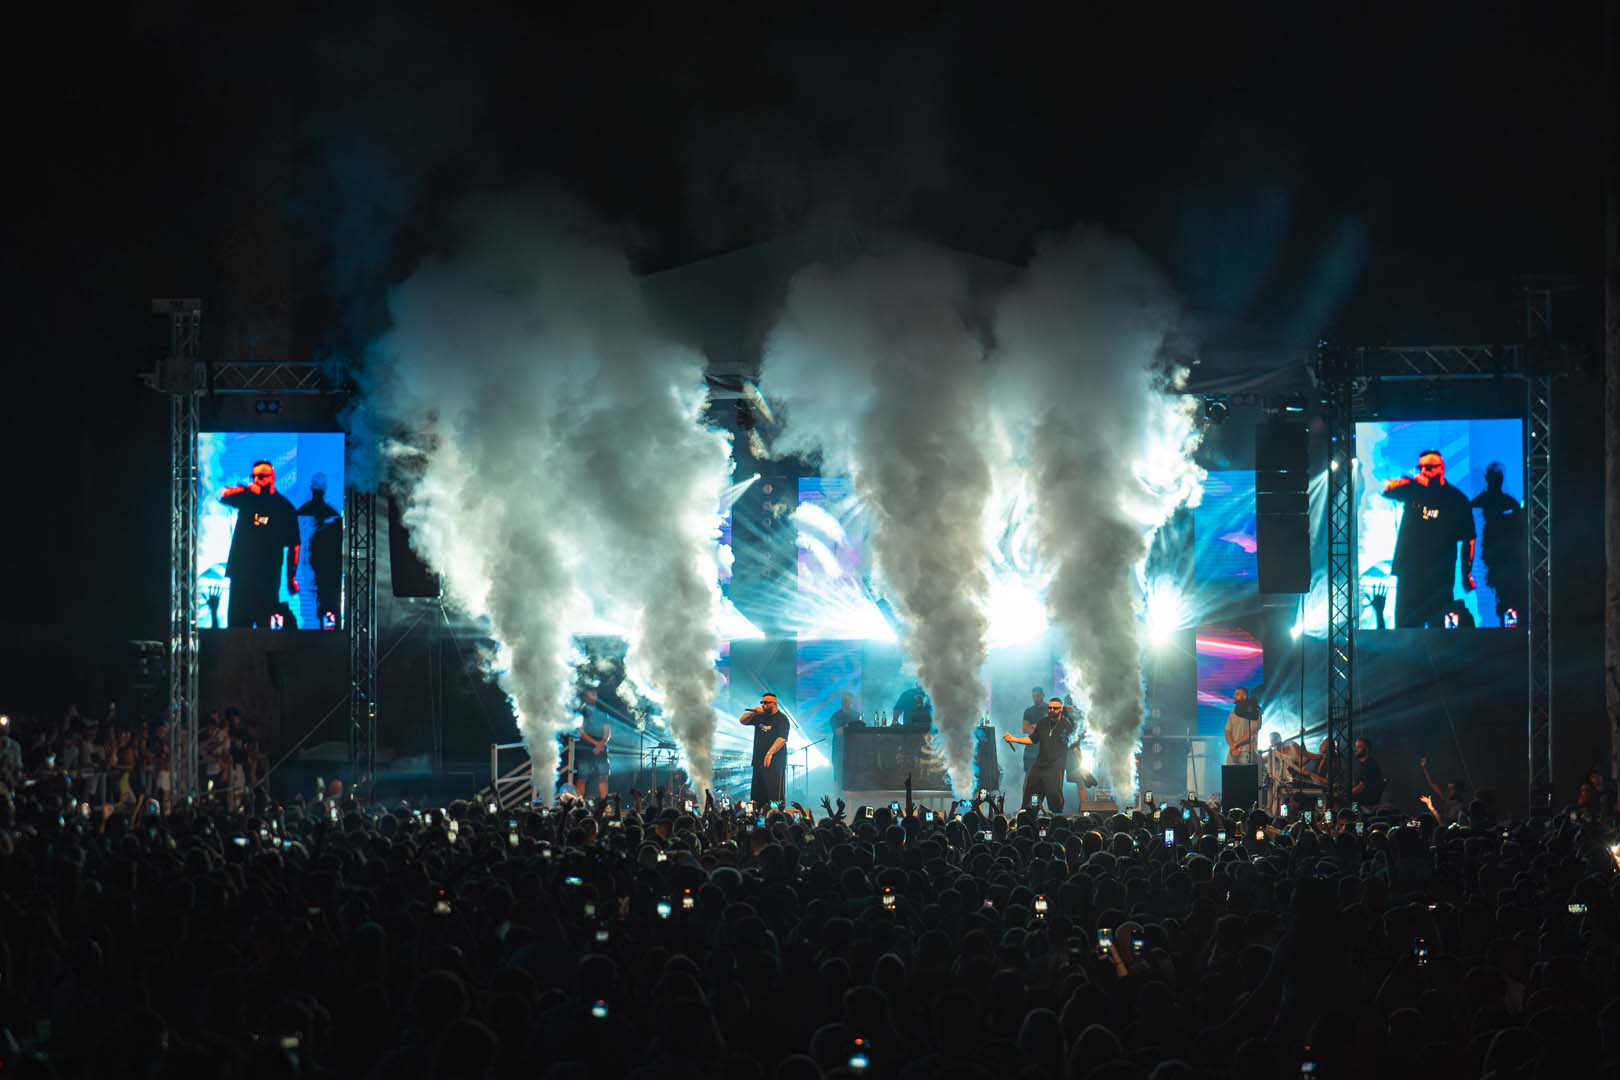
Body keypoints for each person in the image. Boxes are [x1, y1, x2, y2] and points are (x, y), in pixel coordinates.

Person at [1380, 449, 1476, 629]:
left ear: (1441, 468)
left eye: (1429, 467)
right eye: (1420, 467)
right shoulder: (1413, 489)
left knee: (1438, 630)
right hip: (1410, 573)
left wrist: (1467, 573)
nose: (1424, 471)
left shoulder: (1456, 499)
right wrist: (1409, 482)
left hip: (1439, 576)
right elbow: (1385, 490)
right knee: (1406, 628)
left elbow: (1469, 538)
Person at [219, 460, 301, 629]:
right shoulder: (247, 497)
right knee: (237, 627)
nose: (256, 480)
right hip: (241, 576)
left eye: (261, 476)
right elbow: (222, 495)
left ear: (272, 477)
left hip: (267, 578)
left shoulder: (284, 507)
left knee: (265, 626)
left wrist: (291, 577)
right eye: (254, 476)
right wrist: (244, 489)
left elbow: (294, 545)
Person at [1470, 461, 1524, 626]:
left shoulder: (1508, 502)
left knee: (1503, 590)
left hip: (1503, 555)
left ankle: (1505, 620)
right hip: (1490, 553)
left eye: (1496, 477)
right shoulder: (1488, 501)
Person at [1002, 697, 1073, 813]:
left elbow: (1073, 743)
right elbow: (1032, 739)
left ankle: (1057, 817)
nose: (1052, 710)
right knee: (1031, 793)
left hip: (1055, 766)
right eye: (1050, 708)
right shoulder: (1043, 722)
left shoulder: (1066, 726)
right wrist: (1014, 739)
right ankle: (1030, 813)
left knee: (1054, 795)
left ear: (1061, 709)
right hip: (1039, 765)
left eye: (1055, 708)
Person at [295, 471, 344, 630]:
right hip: (325, 569)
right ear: (325, 489)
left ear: (311, 488)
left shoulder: (301, 512)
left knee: (309, 606)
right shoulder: (332, 514)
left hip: (306, 566)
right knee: (324, 605)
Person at [739, 692, 791, 804]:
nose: (763, 705)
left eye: (766, 702)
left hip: (775, 762)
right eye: (762, 702)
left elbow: (782, 739)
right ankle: (758, 812)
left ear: (774, 704)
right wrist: (753, 712)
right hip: (758, 761)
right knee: (756, 795)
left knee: (774, 796)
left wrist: (769, 753)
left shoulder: (782, 719)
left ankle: (775, 813)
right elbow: (742, 720)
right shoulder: (759, 716)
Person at [574, 687, 612, 803]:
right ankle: (579, 804)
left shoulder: (602, 713)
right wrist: (596, 744)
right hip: (585, 747)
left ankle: (604, 803)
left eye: (595, 694)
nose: (594, 696)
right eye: (591, 694)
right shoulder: (580, 712)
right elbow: (581, 731)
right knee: (582, 777)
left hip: (601, 747)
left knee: (603, 777)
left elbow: (607, 731)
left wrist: (601, 744)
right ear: (585, 697)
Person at [1418, 756, 1466, 824]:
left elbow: (1444, 824)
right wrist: (1424, 767)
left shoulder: (1459, 807)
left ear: (1458, 791)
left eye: (1451, 789)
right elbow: (1432, 783)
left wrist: (1431, 807)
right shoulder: (1447, 799)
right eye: (1448, 788)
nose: (1448, 791)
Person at [1224, 688, 1262, 765]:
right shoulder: (1232, 712)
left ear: (1244, 696)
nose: (1234, 696)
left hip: (1246, 752)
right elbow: (1227, 731)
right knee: (1230, 772)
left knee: (1246, 772)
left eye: (1237, 694)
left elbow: (1251, 732)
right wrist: (1232, 746)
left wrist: (1234, 745)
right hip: (1232, 752)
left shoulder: (1254, 711)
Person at [1350, 736, 1386, 805]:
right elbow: (1355, 782)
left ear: (1366, 749)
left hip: (1366, 802)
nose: (1355, 749)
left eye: (1359, 747)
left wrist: (1347, 793)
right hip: (1359, 799)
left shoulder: (1370, 765)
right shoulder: (1359, 764)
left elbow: (1361, 787)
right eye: (1356, 747)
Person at [1019, 686, 1046, 777]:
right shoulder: (1029, 711)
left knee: (1046, 777)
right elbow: (1025, 729)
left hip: (1046, 749)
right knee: (1029, 776)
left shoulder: (1050, 709)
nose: (1035, 698)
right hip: (1031, 750)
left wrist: (1035, 726)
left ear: (1043, 695)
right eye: (1034, 696)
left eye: (1038, 696)